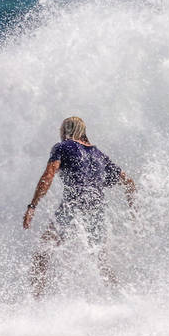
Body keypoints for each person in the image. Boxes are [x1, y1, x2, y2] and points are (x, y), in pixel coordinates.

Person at [22, 116, 136, 297]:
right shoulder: (99, 155)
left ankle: (35, 301)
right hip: (97, 207)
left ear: (65, 131)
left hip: (74, 203)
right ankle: (121, 297)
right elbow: (129, 183)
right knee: (101, 263)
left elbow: (49, 175)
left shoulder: (62, 147)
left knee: (43, 253)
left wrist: (32, 206)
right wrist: (134, 214)